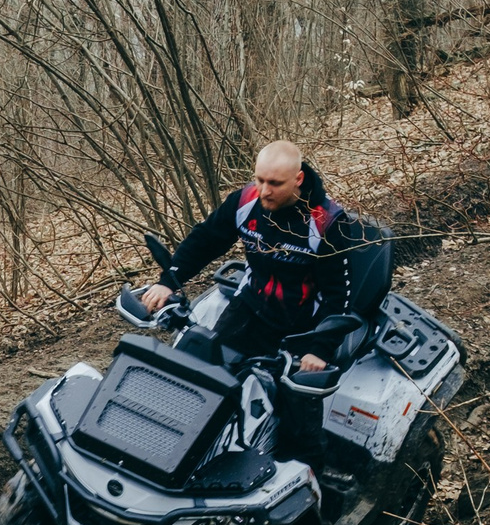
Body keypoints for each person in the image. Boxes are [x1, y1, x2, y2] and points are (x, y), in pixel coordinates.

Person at [139, 141, 362, 373]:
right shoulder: (246, 200)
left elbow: (338, 293)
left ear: (298, 179)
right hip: (248, 307)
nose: (264, 191)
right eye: (260, 180)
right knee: (205, 373)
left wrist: (320, 349)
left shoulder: (325, 222)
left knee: (278, 392)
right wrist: (169, 281)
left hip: (301, 325)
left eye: (275, 183)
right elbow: (205, 240)